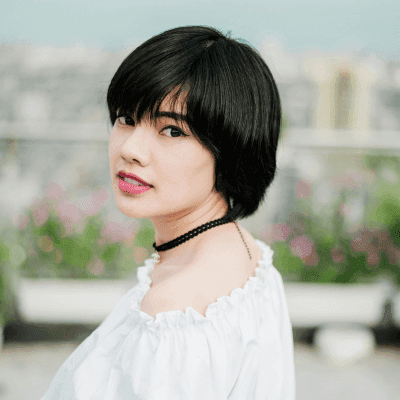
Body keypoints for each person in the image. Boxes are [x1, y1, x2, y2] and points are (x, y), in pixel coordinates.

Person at [41, 25, 295, 399]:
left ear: (231, 150)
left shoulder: (174, 315)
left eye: (172, 130)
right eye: (126, 118)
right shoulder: (246, 255)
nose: (132, 149)